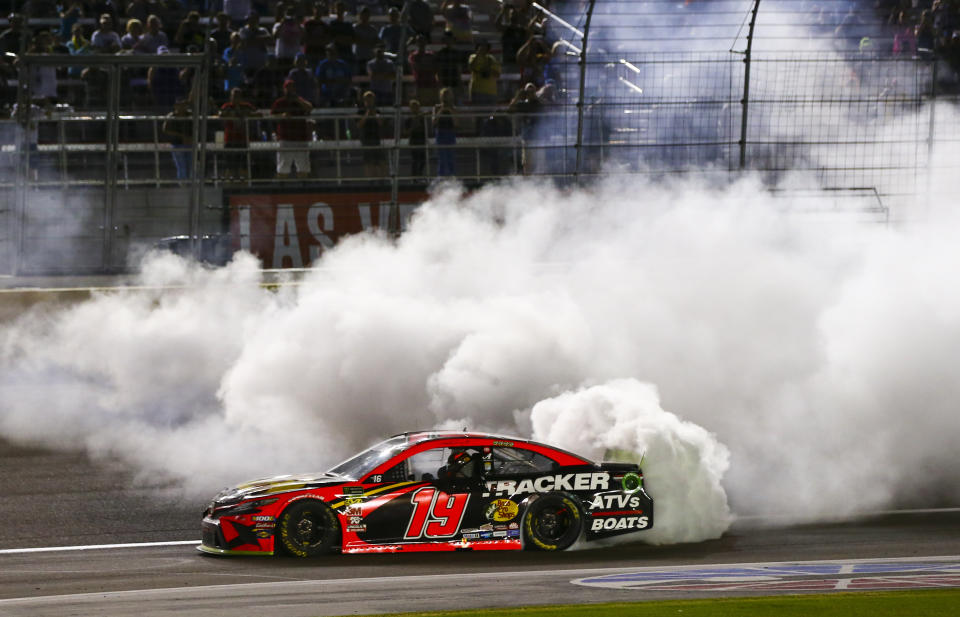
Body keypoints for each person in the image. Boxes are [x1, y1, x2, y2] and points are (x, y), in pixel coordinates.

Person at [271, 78, 314, 177]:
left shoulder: (300, 100)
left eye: (292, 88)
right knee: (283, 167)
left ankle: (303, 188)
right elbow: (272, 116)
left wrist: (297, 100)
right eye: (288, 88)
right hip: (285, 138)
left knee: (303, 167)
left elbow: (310, 108)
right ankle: (282, 189)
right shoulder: (279, 102)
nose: (290, 90)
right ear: (284, 89)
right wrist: (282, 115)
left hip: (301, 138)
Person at [219, 87, 259, 180]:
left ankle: (244, 184)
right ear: (230, 97)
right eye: (233, 96)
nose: (235, 98)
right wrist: (231, 114)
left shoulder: (246, 106)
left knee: (243, 165)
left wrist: (246, 114)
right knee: (230, 165)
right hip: (230, 139)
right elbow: (221, 115)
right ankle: (230, 184)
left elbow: (257, 113)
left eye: (237, 96)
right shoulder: (227, 106)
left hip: (243, 139)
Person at [508, 82, 542, 174]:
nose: (530, 93)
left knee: (540, 163)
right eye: (528, 91)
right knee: (527, 163)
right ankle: (528, 182)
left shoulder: (538, 103)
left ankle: (541, 183)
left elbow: (544, 108)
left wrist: (535, 97)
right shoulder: (522, 104)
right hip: (527, 137)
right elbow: (510, 110)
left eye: (532, 91)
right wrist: (518, 97)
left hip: (539, 138)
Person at [357, 90, 387, 178]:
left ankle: (382, 180)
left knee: (381, 161)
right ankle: (370, 181)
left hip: (376, 139)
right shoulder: (360, 112)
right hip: (366, 139)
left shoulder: (377, 111)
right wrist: (367, 113)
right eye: (367, 99)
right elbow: (359, 125)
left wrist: (373, 113)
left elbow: (381, 123)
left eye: (371, 99)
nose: (369, 102)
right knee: (368, 162)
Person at [163, 98, 194, 180]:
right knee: (182, 167)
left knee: (190, 166)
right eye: (179, 105)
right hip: (177, 145)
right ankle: (183, 185)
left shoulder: (191, 116)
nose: (182, 107)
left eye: (184, 105)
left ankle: (190, 184)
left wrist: (190, 138)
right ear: (175, 106)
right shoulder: (172, 116)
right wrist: (181, 136)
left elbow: (197, 128)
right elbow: (165, 129)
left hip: (190, 144)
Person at [315, 43, 353, 107]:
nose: (331, 53)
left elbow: (349, 79)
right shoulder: (322, 65)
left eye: (333, 51)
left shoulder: (343, 64)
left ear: (336, 52)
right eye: (329, 51)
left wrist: (340, 81)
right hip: (326, 93)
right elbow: (318, 79)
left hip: (341, 93)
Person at [467, 39, 500, 106]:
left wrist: (489, 69)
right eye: (481, 46)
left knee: (491, 116)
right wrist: (478, 54)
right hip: (477, 91)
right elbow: (471, 67)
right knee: (479, 114)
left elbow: (497, 74)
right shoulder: (473, 57)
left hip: (491, 92)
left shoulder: (492, 59)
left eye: (485, 47)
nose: (483, 49)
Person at [408, 35, 439, 105]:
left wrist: (424, 66)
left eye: (423, 41)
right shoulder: (413, 56)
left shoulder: (431, 55)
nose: (421, 43)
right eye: (419, 41)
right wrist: (427, 67)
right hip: (420, 85)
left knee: (433, 105)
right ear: (416, 43)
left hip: (432, 84)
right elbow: (417, 68)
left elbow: (435, 68)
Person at [433, 86, 456, 176]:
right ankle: (441, 178)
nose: (446, 98)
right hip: (440, 133)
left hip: (450, 133)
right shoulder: (437, 107)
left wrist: (450, 110)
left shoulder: (453, 108)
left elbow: (456, 123)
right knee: (442, 158)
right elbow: (434, 122)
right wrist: (441, 110)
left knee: (450, 158)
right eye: (444, 96)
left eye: (448, 95)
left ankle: (452, 176)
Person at [352, 6, 380, 74]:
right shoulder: (355, 28)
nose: (365, 16)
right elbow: (356, 40)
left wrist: (365, 41)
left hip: (370, 57)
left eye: (367, 14)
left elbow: (375, 42)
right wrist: (368, 42)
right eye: (363, 14)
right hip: (359, 58)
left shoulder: (373, 29)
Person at [405, 98, 427, 178]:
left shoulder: (422, 118)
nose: (415, 108)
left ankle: (420, 175)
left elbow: (426, 129)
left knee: (423, 160)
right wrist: (413, 125)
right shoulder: (408, 119)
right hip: (414, 141)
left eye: (417, 107)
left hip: (422, 140)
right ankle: (414, 177)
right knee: (415, 160)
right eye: (413, 107)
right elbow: (406, 132)